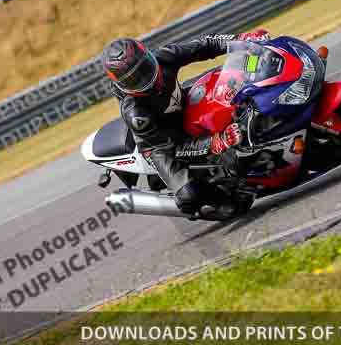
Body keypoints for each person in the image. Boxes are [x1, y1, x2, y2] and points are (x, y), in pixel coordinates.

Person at [101, 30, 270, 216]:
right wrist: (216, 141)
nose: (145, 78)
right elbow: (176, 147)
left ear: (148, 56)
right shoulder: (136, 114)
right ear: (122, 84)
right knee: (190, 196)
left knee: (233, 85)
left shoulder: (163, 57)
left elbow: (205, 45)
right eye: (134, 79)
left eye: (145, 67)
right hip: (161, 141)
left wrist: (240, 40)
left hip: (183, 103)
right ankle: (220, 199)